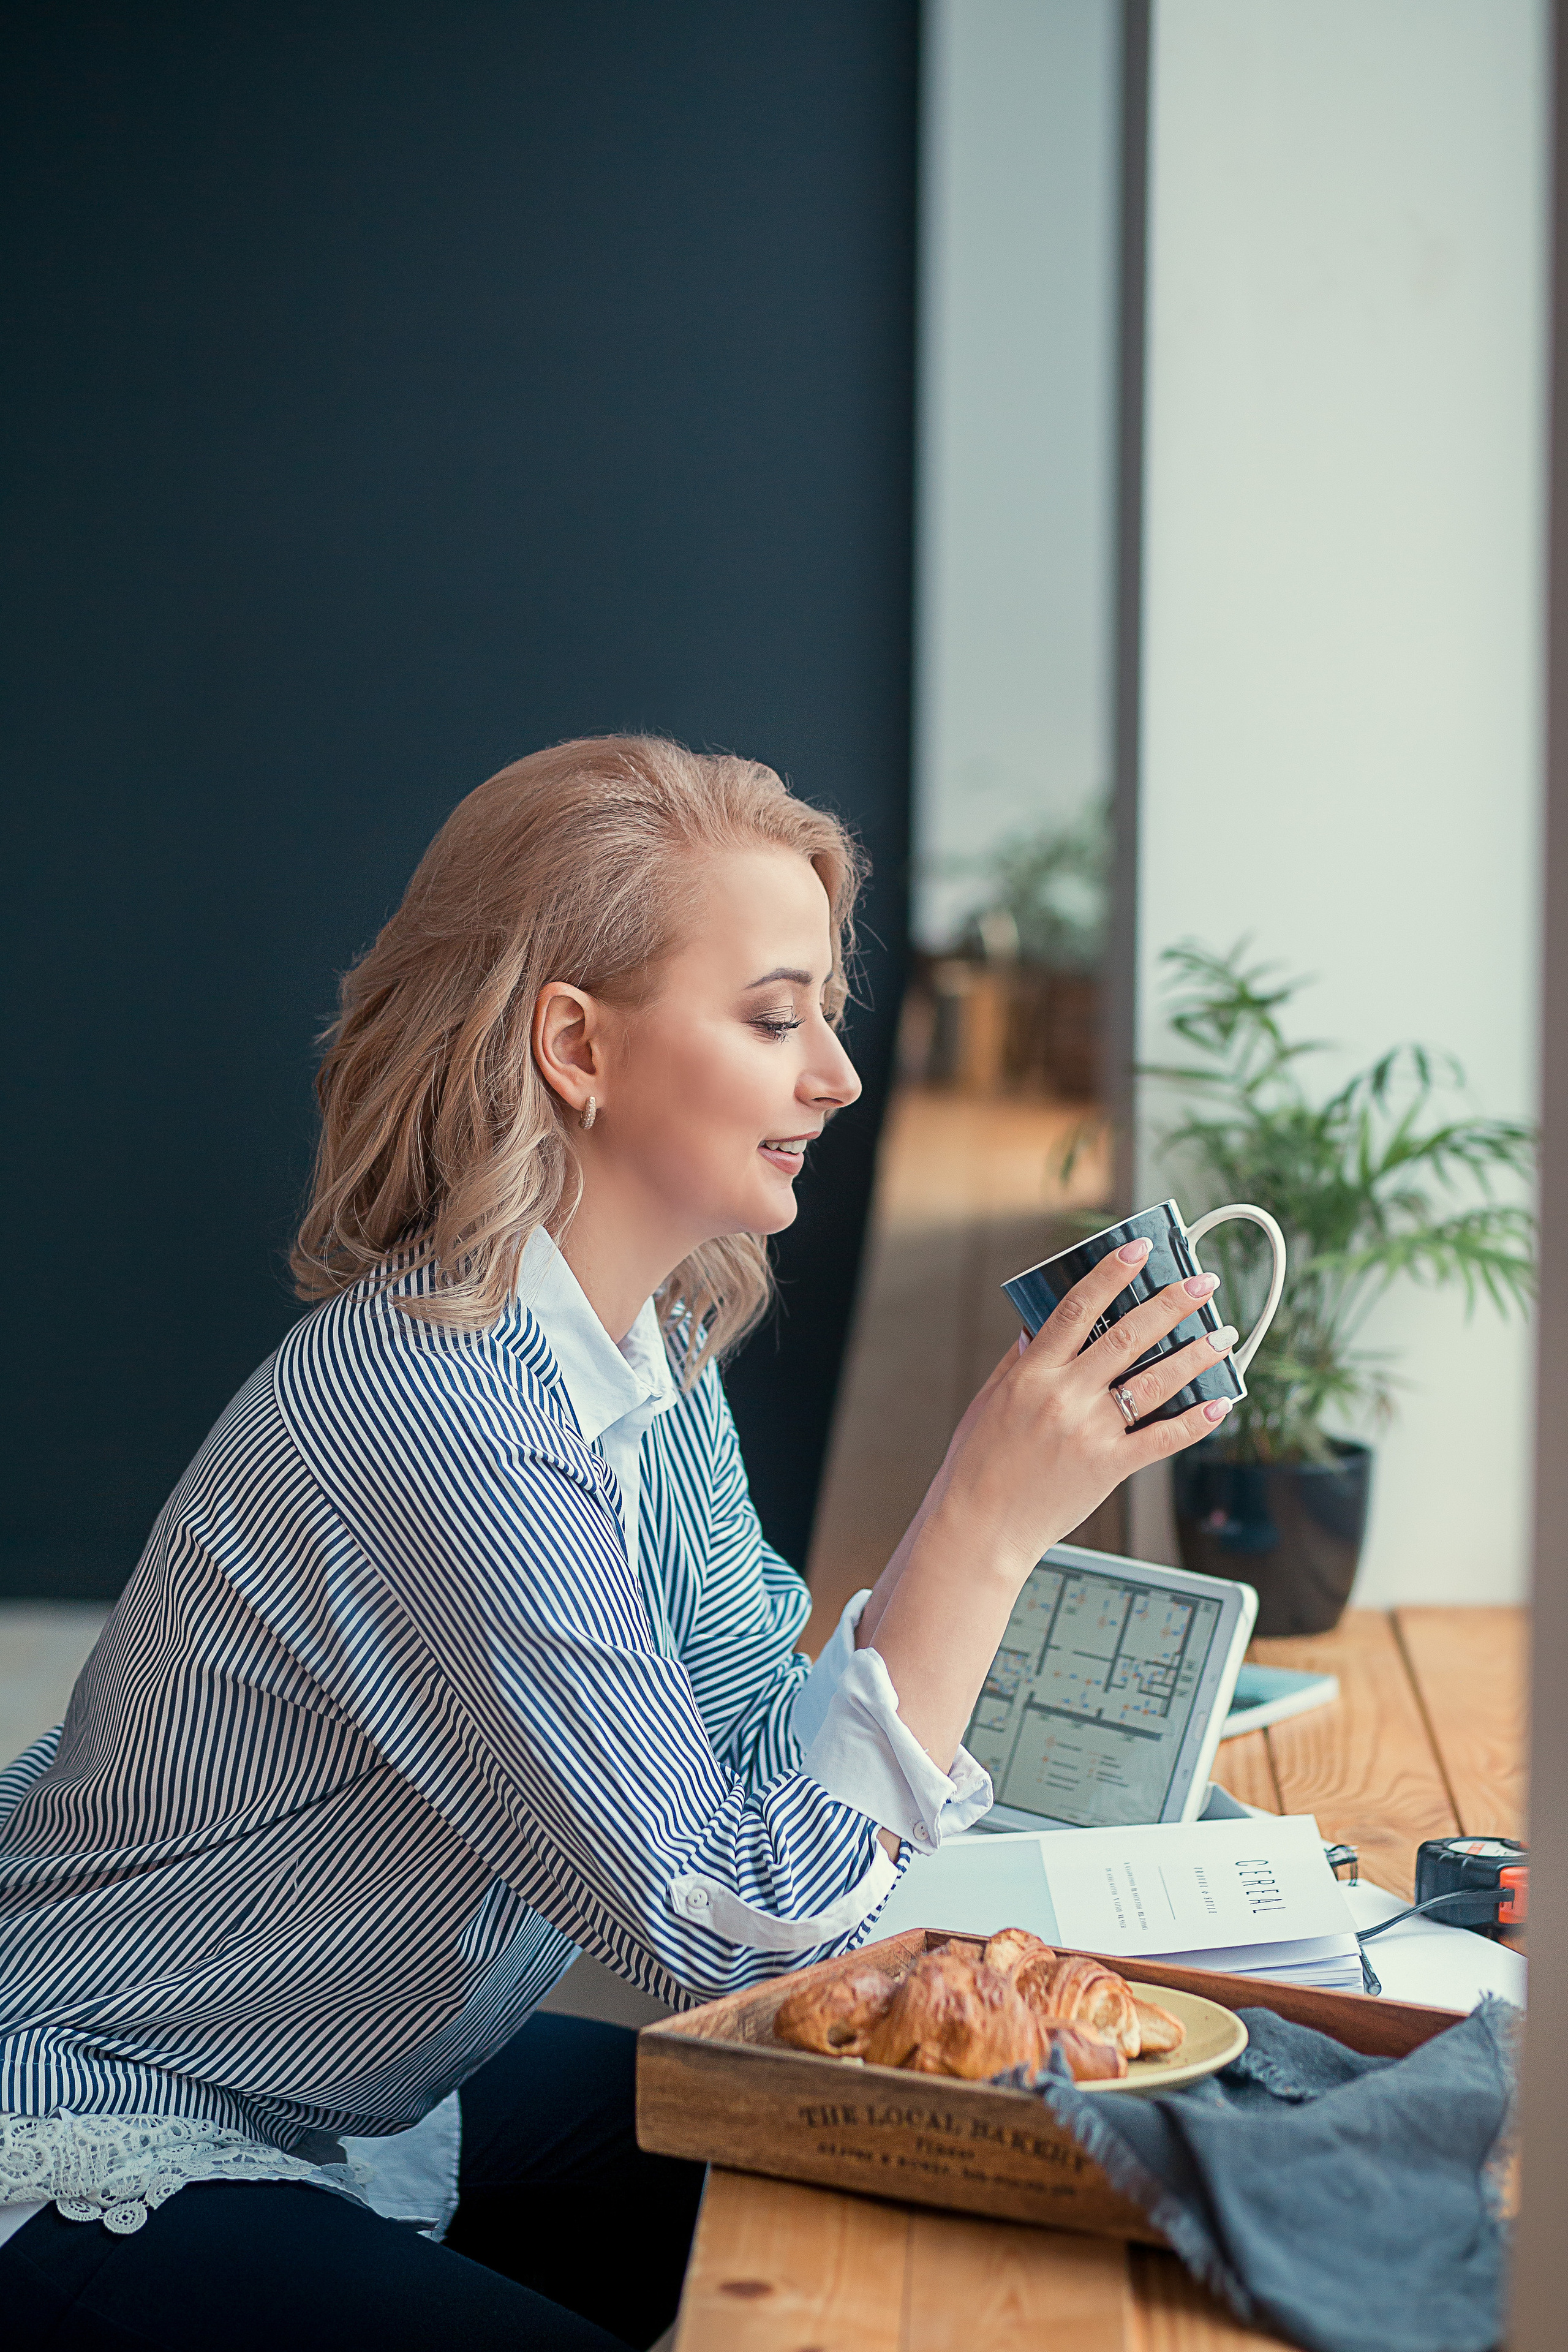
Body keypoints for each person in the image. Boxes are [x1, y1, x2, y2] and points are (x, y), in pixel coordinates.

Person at [0, 737, 1235, 2348]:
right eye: (776, 1017)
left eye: (829, 1016)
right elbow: (730, 1909)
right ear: (577, 1045)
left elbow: (754, 1771)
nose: (837, 1077)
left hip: (352, 2087)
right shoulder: (442, 1414)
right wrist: (982, 1524)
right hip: (98, 2106)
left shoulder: (643, 1357)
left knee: (960, 2183)